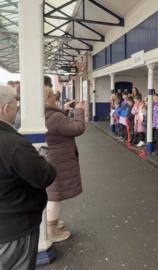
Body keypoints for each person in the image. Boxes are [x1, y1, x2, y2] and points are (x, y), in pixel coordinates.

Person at [0, 85, 56, 270]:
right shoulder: (13, 145)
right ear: (5, 108)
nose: (17, 109)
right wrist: (43, 159)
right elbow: (45, 175)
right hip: (14, 228)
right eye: (16, 104)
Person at [44, 86, 86, 242]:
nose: (55, 97)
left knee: (52, 193)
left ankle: (52, 222)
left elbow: (58, 125)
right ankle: (51, 230)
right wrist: (80, 111)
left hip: (50, 157)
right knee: (54, 195)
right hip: (59, 159)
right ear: (48, 97)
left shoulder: (43, 113)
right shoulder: (54, 117)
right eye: (53, 95)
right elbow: (77, 128)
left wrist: (64, 110)